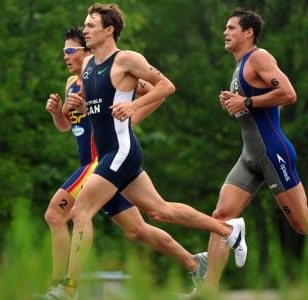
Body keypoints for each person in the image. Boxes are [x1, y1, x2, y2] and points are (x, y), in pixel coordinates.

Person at [48, 4, 247, 300]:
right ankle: (229, 230)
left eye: (90, 25)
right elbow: (97, 104)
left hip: (121, 151)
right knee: (159, 211)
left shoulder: (126, 59)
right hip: (110, 155)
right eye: (85, 25)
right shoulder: (88, 68)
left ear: (108, 30)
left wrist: (133, 107)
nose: (85, 29)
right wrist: (77, 107)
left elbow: (166, 86)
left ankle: (67, 290)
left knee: (80, 212)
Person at [203, 8, 308, 293]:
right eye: (225, 28)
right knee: (221, 216)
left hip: (273, 154)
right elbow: (252, 103)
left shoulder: (259, 57)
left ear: (248, 33)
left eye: (231, 28)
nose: (225, 33)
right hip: (249, 156)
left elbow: (289, 94)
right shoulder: (239, 66)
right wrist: (235, 103)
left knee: (302, 224)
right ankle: (207, 290)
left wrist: (246, 103)